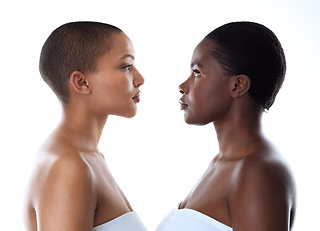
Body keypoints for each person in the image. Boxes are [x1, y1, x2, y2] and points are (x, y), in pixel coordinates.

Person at [156, 22, 296, 231]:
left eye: (197, 73)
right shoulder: (222, 164)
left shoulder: (257, 172)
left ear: (237, 85)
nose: (183, 86)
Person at [23, 21, 147, 231]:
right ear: (81, 82)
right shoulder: (69, 166)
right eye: (126, 66)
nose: (140, 79)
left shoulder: (87, 158)